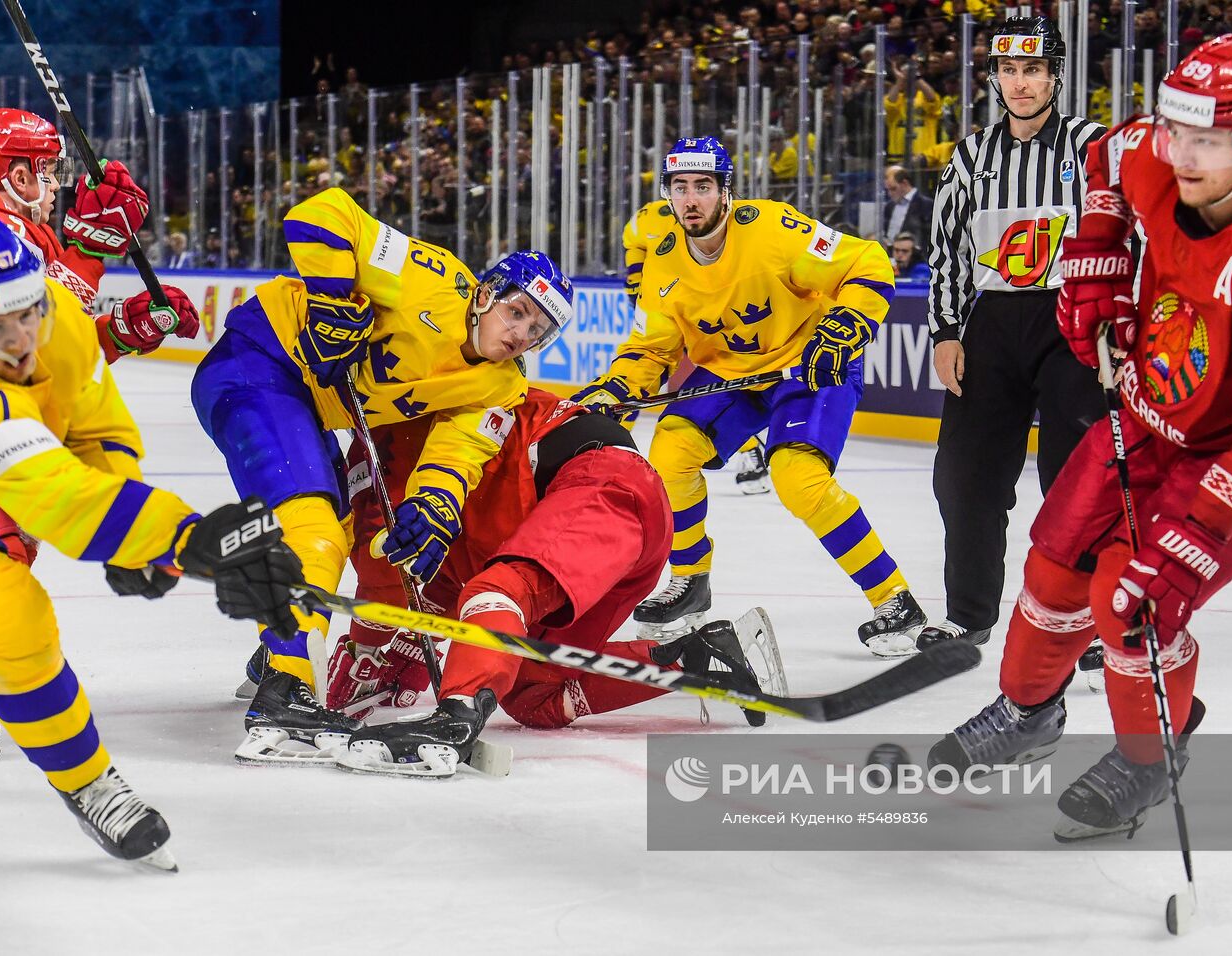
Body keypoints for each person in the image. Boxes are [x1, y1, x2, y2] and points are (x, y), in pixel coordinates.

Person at [929, 36, 1232, 840]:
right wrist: (1095, 261)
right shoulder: (1152, 152)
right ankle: (1028, 712)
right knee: (1055, 558)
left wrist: (1193, 539)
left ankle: (1150, 759)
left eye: (1208, 140)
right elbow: (1106, 168)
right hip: (1153, 413)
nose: (1181, 154)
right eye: (1175, 131)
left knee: (1133, 600)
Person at [0, 217, 304, 867]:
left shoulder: (58, 320)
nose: (21, 338)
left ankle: (87, 783)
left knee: (6, 614)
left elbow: (95, 434)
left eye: (27, 313)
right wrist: (181, 536)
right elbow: (54, 494)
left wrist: (137, 545)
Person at [192, 185, 572, 764]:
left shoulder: (500, 387)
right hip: (256, 368)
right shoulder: (431, 275)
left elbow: (458, 452)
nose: (521, 334)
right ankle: (282, 697)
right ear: (490, 291)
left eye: (537, 331)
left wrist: (434, 505)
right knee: (313, 529)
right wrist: (333, 302)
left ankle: (281, 652)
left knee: (335, 534)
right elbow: (319, 216)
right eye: (518, 311)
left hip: (304, 408)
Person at [573, 136, 925, 655]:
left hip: (809, 363)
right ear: (668, 194)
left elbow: (867, 263)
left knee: (798, 479)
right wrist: (621, 387)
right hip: (731, 374)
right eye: (681, 188)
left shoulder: (773, 230)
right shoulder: (665, 261)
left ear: (725, 191)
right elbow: (652, 346)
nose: (691, 199)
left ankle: (894, 597)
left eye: (703, 187)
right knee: (669, 453)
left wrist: (846, 327)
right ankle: (690, 582)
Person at [326, 387, 782, 777]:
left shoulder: (392, 436)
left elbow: (384, 574)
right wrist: (406, 655)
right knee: (532, 696)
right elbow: (445, 579)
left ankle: (454, 718)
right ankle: (697, 658)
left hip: (599, 489)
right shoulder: (433, 409)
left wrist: (367, 651)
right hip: (627, 518)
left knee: (498, 593)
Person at [923, 17, 1107, 653]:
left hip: (1075, 323)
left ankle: (1082, 621)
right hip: (994, 321)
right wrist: (946, 329)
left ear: (1055, 74)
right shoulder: (973, 155)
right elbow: (945, 245)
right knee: (964, 474)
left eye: (1032, 69)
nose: (1020, 82)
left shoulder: (1091, 146)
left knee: (1077, 480)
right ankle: (969, 615)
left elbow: (1130, 235)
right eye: (1008, 69)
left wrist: (1121, 326)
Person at [0, 108, 198, 361]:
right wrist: (89, 251)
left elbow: (67, 341)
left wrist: (121, 332)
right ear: (20, 178)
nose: (56, 184)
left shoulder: (28, 228)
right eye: (50, 171)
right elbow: (30, 349)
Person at [621, 196, 771, 493]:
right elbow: (635, 252)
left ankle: (749, 452)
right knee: (638, 378)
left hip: (709, 315)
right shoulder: (646, 218)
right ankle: (610, 450)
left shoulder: (716, 215)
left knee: (718, 388)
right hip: (668, 313)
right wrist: (640, 293)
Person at [882, 165, 934, 247]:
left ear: (904, 183)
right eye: (888, 190)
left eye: (893, 189)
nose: (890, 194)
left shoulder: (925, 204)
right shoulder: (889, 206)